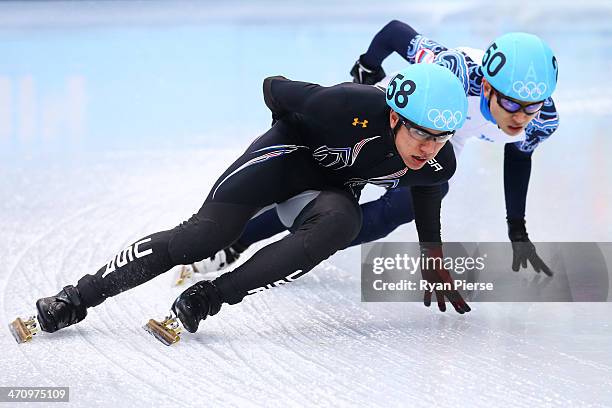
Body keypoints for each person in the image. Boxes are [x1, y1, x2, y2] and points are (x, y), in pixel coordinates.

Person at [30, 62, 471, 340]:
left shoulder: (436, 163)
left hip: (323, 192)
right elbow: (274, 87)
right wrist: (280, 137)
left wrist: (433, 258)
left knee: (343, 223)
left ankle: (209, 297)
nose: (429, 147)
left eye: (441, 137)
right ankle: (76, 298)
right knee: (202, 238)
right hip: (282, 157)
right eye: (419, 132)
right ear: (395, 114)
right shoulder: (343, 105)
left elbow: (427, 193)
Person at [190, 21, 559, 280]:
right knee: (341, 174)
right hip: (410, 114)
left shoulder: (542, 119)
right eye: (511, 105)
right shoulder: (453, 71)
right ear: (490, 87)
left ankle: (316, 238)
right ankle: (240, 239)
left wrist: (517, 230)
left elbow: (519, 158)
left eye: (532, 106)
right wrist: (370, 64)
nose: (521, 118)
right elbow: (396, 32)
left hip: (449, 138)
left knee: (405, 206)